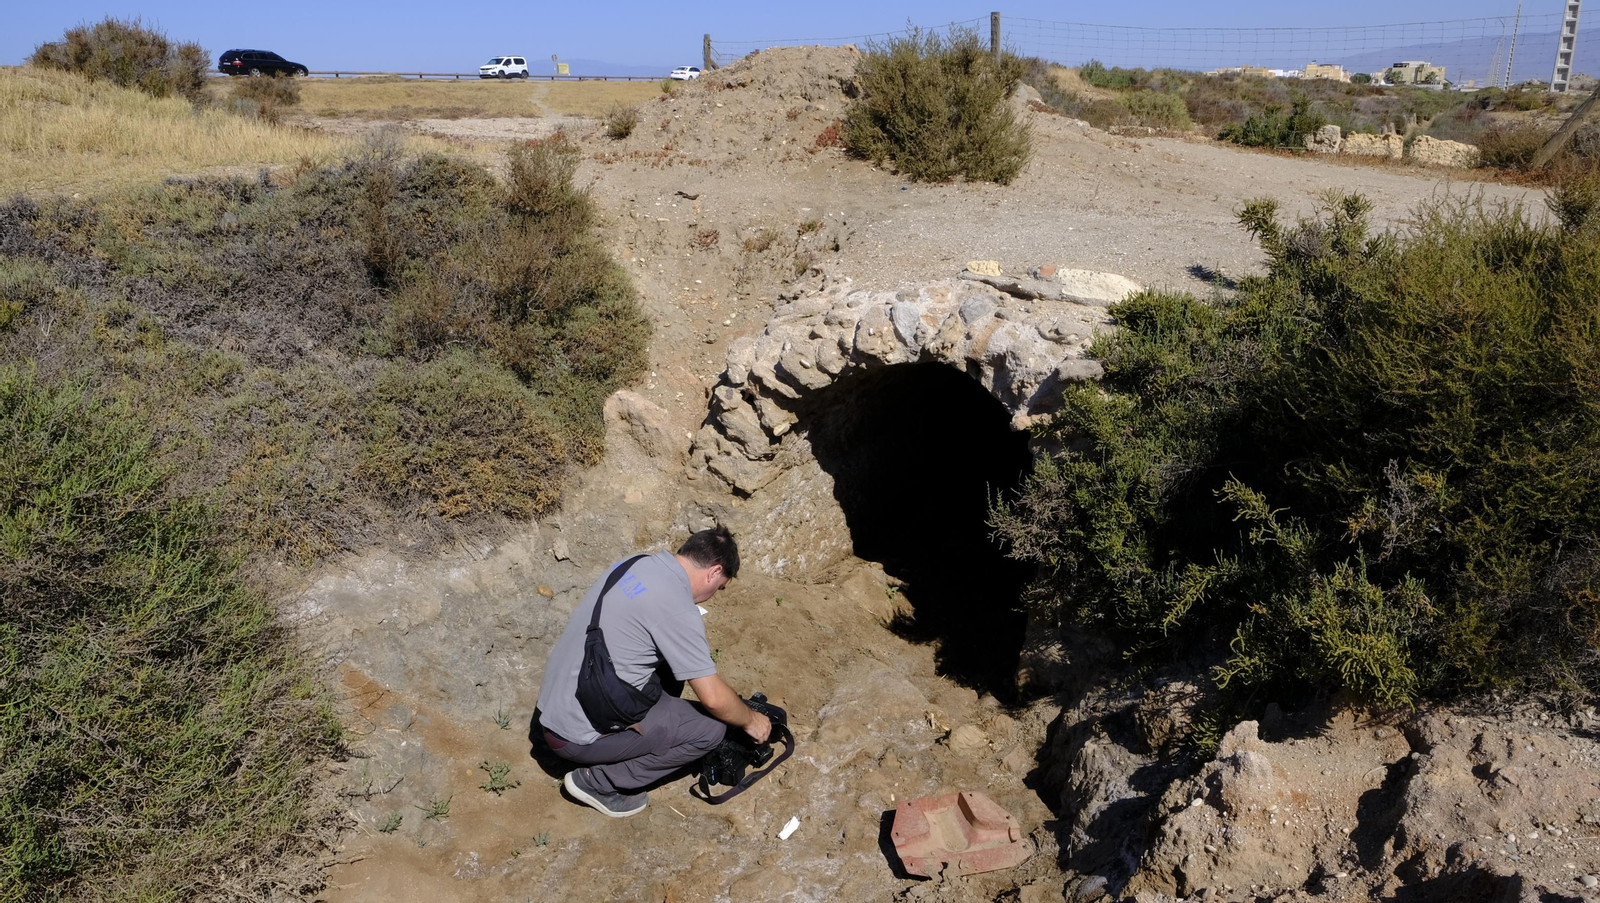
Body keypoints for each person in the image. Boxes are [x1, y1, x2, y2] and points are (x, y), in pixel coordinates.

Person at [534, 526, 772, 817]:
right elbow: (712, 698)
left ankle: (638, 731)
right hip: (572, 738)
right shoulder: (676, 607)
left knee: (670, 666)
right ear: (714, 572)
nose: (712, 595)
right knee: (711, 729)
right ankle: (598, 783)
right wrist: (751, 720)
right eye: (719, 587)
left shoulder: (635, 563)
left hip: (553, 706)